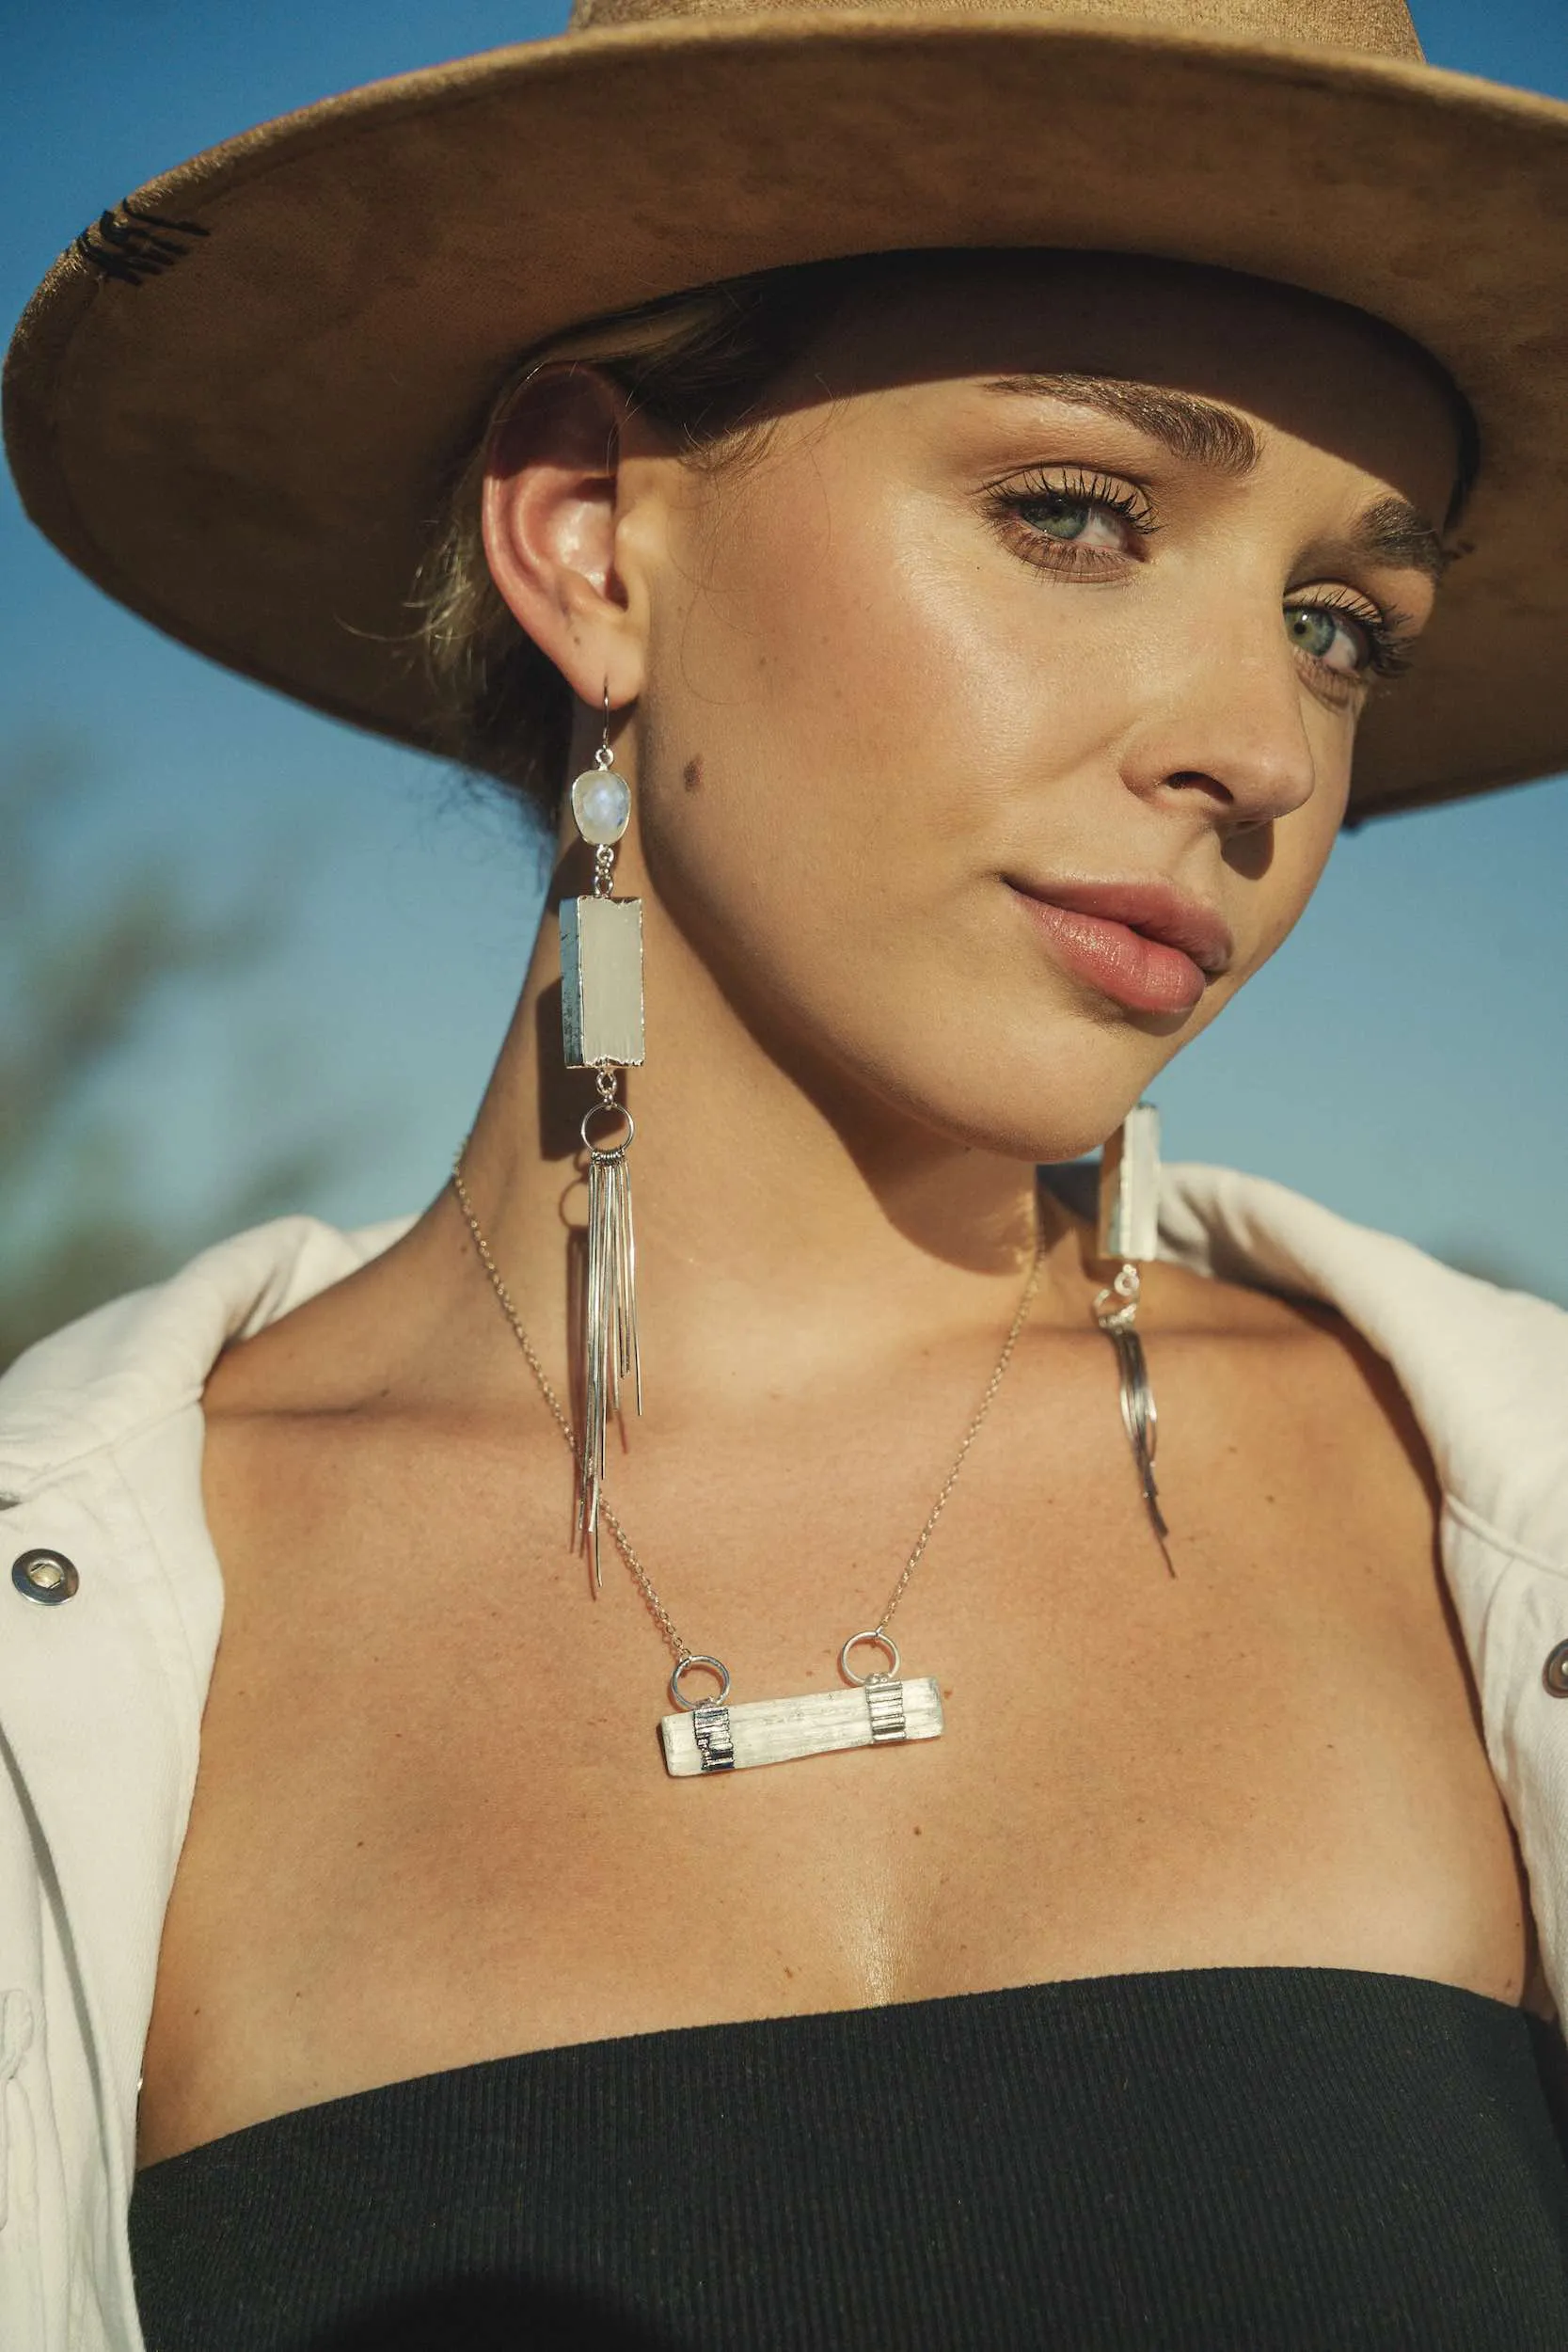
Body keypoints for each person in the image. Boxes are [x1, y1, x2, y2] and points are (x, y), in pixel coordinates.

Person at [4, 0, 1568, 2344]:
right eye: (1074, 512)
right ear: (590, 540)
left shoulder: (1490, 1514)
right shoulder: (79, 1641)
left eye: (1337, 627)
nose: (1255, 747)